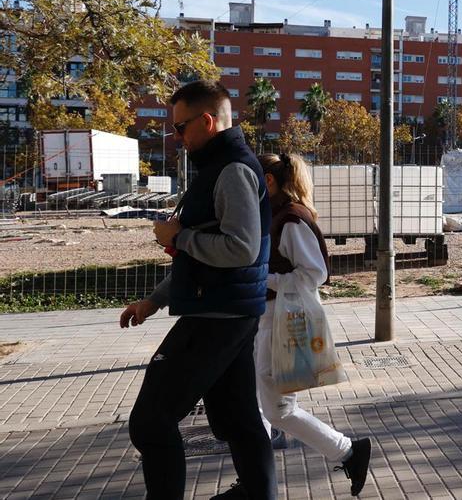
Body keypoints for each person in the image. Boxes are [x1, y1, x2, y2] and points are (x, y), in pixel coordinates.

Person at [119, 80, 276, 500]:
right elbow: (204, 257)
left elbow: (241, 248)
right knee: (237, 420)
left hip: (216, 316)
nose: (176, 137)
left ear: (207, 121)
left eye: (180, 127)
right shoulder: (218, 166)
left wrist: (179, 236)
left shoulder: (233, 170)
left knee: (151, 422)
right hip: (226, 309)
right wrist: (154, 300)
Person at [245, 153, 372, 497]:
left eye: (252, 181)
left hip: (281, 320)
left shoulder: (291, 219)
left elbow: (314, 274)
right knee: (258, 404)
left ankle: (347, 451)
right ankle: (255, 480)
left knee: (279, 410)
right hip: (269, 318)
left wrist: (261, 278)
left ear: (269, 181)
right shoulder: (278, 215)